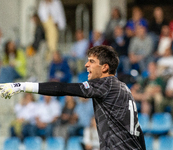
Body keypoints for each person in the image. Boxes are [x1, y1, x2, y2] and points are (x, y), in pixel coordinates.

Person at [0, 45, 146, 150]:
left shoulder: (104, 84)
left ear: (105, 67)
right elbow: (137, 129)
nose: (86, 64)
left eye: (92, 62)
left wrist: (23, 86)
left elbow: (63, 88)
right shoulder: (123, 88)